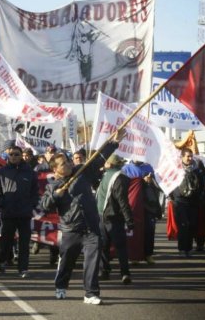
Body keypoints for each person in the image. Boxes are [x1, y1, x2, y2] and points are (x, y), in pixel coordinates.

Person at [40, 129, 124, 305]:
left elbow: (99, 158)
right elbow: (44, 206)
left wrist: (114, 143)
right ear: (55, 169)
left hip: (91, 227)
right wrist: (56, 194)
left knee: (93, 260)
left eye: (69, 161)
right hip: (71, 230)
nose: (69, 164)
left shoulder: (82, 171)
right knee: (67, 262)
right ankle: (61, 286)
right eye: (64, 164)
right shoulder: (52, 185)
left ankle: (90, 293)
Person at [0, 145, 39, 278]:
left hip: (25, 214)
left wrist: (31, 205)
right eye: (11, 154)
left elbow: (35, 191)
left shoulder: (29, 172)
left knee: (24, 243)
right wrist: (2, 205)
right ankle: (2, 261)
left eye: (16, 154)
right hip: (8, 213)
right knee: (6, 241)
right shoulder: (2, 171)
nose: (13, 157)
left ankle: (23, 268)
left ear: (21, 156)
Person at [96, 154, 134, 284]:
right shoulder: (120, 178)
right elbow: (123, 201)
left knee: (103, 246)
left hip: (101, 215)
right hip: (114, 217)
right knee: (121, 247)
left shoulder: (104, 175)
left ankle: (104, 272)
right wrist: (129, 220)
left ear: (110, 164)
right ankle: (124, 273)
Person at [170, 148, 205, 257]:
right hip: (180, 202)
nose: (190, 158)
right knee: (183, 225)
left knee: (192, 225)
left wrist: (200, 197)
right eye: (187, 156)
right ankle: (182, 248)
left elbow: (203, 185)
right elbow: (169, 183)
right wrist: (173, 197)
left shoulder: (197, 169)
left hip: (193, 201)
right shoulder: (176, 169)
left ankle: (189, 248)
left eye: (191, 156)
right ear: (182, 157)